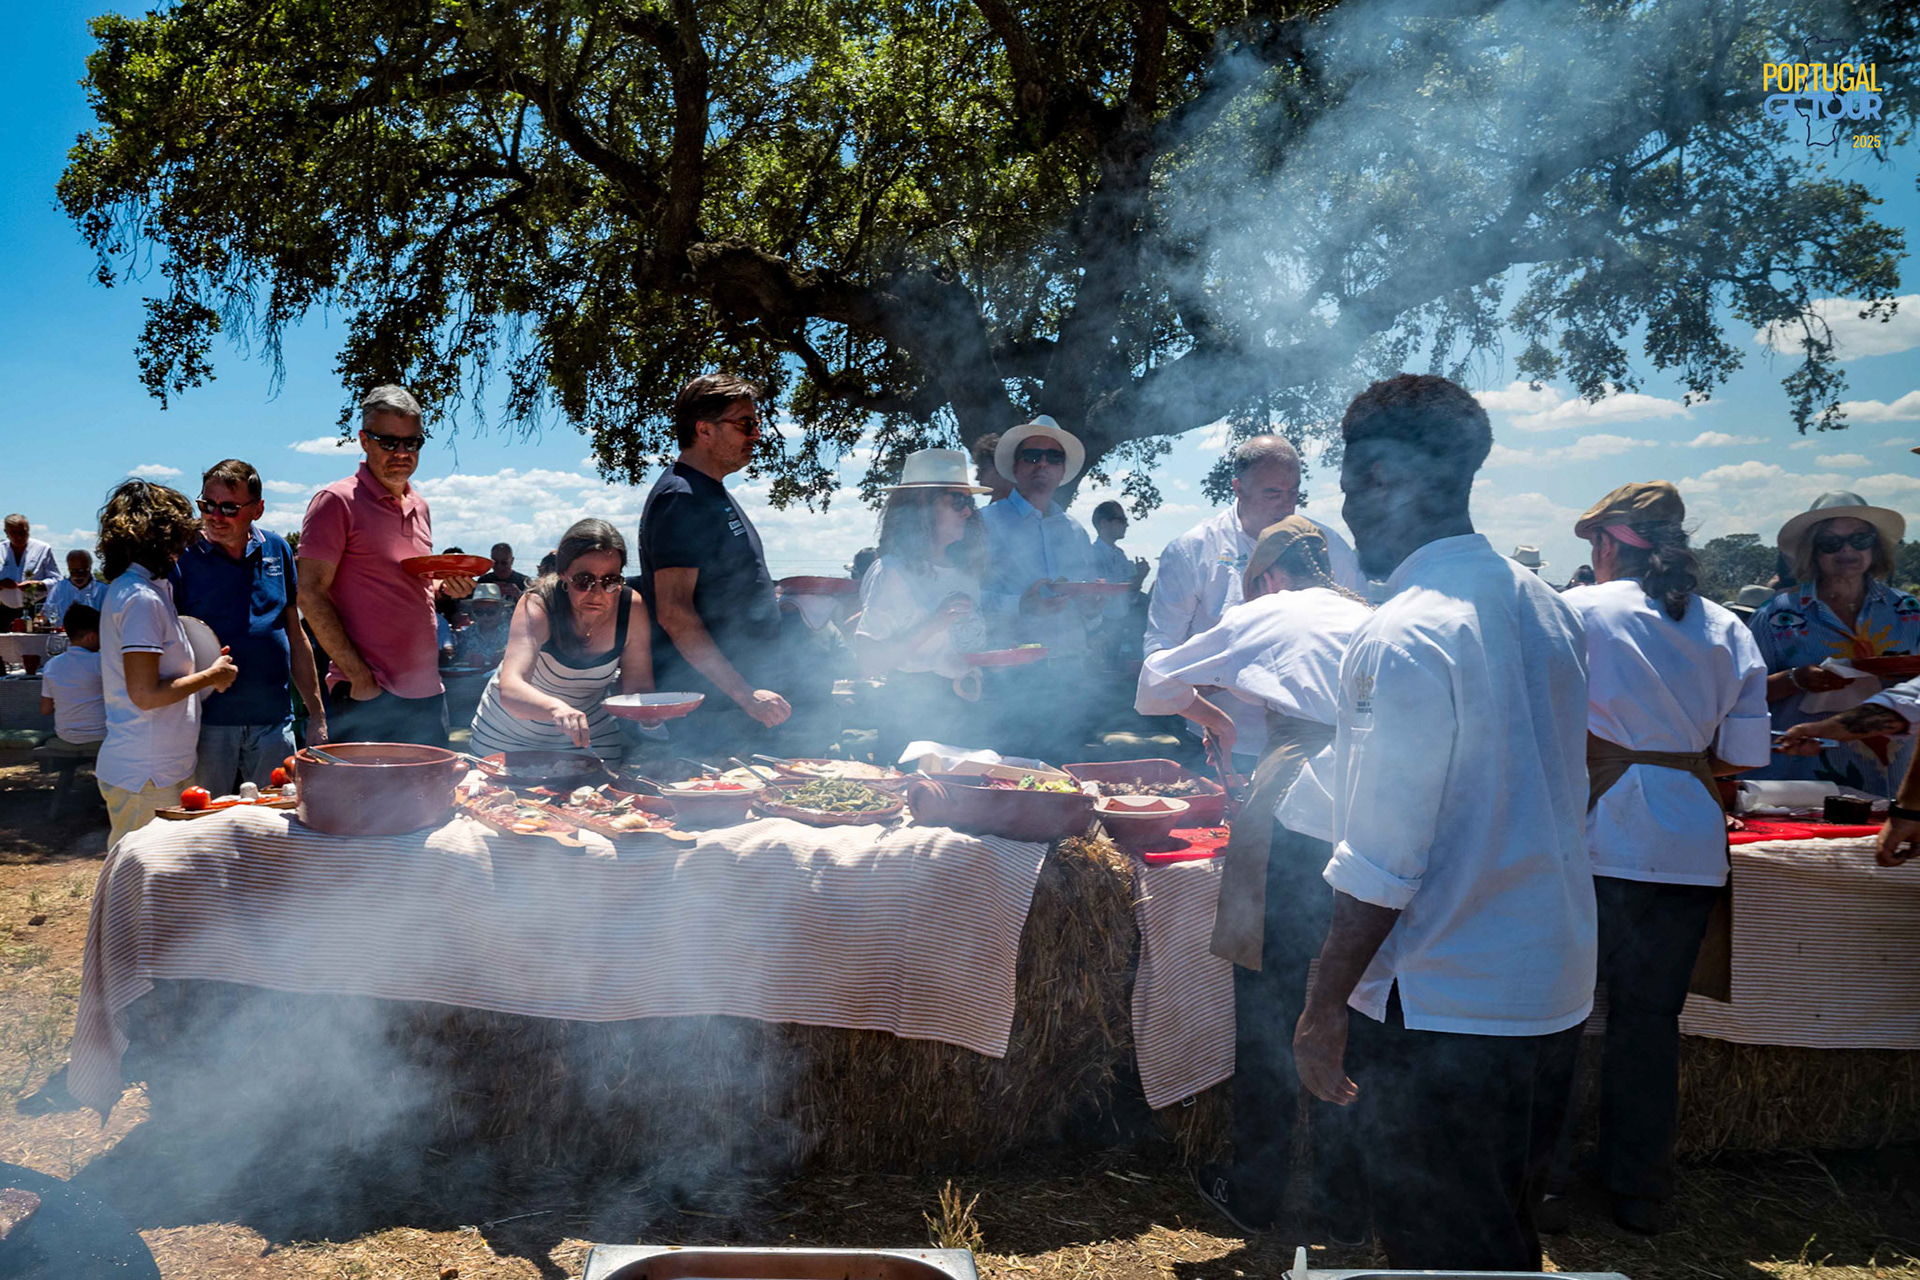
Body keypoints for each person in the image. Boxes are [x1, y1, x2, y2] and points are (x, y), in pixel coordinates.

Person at [1292, 374, 1594, 1272]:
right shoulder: (1544, 604)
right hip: (1549, 983)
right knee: (1504, 1235)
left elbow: (1386, 856)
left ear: (1386, 479)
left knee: (1444, 1258)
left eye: (1351, 489)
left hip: (1448, 1001)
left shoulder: (1405, 631)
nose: (1349, 514)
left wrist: (1320, 1009)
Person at [1136, 516, 1373, 1240]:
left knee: (1269, 1007)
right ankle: (1343, 1208)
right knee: (1357, 1003)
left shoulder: (1265, 610)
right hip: (1381, 806)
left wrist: (1208, 711)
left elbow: (1153, 683)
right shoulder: (1374, 617)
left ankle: (1258, 1192)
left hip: (1293, 803)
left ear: (1267, 576)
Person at [1553, 481, 1770, 1236]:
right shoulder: (1726, 627)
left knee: (1560, 1018)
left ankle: (1543, 1183)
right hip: (1686, 841)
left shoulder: (1579, 611)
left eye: (1593, 544)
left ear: (1612, 542)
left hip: (1592, 835)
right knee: (1649, 1023)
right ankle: (1639, 1189)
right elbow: (1742, 753)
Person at [1146, 436, 1364, 770]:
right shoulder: (1192, 549)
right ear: (1238, 488)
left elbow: (1363, 634)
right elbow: (1159, 650)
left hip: (1313, 743)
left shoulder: (1328, 546)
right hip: (1218, 739)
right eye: (1273, 493)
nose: (1286, 505)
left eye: (1293, 492)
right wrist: (1207, 690)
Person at [297, 386, 476, 748]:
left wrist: (447, 589)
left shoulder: (420, 506)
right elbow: (309, 592)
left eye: (412, 443)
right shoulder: (336, 501)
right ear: (364, 440)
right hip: (369, 695)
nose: (401, 453)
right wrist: (360, 678)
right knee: (367, 804)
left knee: (431, 801)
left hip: (427, 691)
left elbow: (411, 586)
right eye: (388, 442)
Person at [637, 373, 790, 754]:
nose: (756, 434)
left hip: (740, 704)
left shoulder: (708, 492)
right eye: (745, 423)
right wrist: (745, 694)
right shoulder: (682, 498)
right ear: (704, 430)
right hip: (716, 714)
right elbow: (675, 613)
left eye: (756, 423)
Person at [95, 480, 239, 847]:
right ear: (158, 537)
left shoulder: (149, 590)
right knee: (142, 883)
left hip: (157, 767)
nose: (183, 548)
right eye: (178, 537)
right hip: (146, 773)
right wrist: (211, 676)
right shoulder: (140, 598)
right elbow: (144, 694)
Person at [1746, 491, 1919, 797]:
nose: (1847, 550)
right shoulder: (1776, 616)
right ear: (1813, 550)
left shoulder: (1909, 612)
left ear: (1875, 546)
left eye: (1860, 540)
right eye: (1831, 543)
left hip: (1892, 780)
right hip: (1799, 779)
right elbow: (1742, 696)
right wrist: (1796, 679)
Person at [172, 459, 327, 790]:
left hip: (273, 720)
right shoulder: (183, 556)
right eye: (207, 505)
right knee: (208, 825)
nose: (215, 516)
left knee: (275, 820)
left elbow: (294, 634)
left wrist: (317, 714)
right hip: (208, 724)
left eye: (228, 508)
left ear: (257, 509)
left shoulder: (278, 549)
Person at [977, 415, 1106, 758]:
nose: (1043, 464)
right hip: (1011, 677)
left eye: (1054, 457)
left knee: (1064, 774)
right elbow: (962, 600)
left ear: (1063, 471)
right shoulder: (986, 524)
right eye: (1032, 456)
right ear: (1015, 468)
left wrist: (1093, 611)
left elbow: (1086, 611)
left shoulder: (1075, 531)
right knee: (1010, 776)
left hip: (1069, 673)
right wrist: (1019, 605)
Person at [469, 519, 653, 757]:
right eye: (584, 581)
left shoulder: (631, 607)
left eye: (610, 582)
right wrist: (556, 708)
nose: (597, 593)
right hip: (508, 736)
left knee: (607, 791)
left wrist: (651, 717)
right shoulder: (539, 604)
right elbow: (512, 687)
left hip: (587, 733)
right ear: (564, 574)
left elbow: (638, 687)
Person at [852, 449, 991, 761]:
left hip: (968, 709)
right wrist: (935, 621)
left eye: (969, 502)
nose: (967, 512)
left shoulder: (965, 572)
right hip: (911, 714)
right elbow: (869, 662)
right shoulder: (893, 571)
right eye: (957, 501)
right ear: (922, 507)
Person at [37, 604, 106, 756]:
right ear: (91, 637)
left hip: (66, 735)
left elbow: (45, 709)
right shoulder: (101, 661)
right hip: (102, 734)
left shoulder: (52, 665)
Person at [0, 515, 61, 630]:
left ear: (28, 530)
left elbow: (57, 580)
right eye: (14, 532)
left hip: (36, 612)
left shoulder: (43, 549)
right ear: (6, 532)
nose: (19, 537)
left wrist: (39, 585)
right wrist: (2, 583)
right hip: (4, 612)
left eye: (23, 532)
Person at [42, 551, 107, 627]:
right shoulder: (59, 588)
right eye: (73, 571)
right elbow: (45, 614)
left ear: (90, 568)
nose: (78, 575)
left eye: (82, 571)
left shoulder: (103, 590)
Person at [972, 433, 1013, 503]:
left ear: (1001, 469)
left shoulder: (1034, 508)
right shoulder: (986, 512)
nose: (977, 478)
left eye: (982, 470)